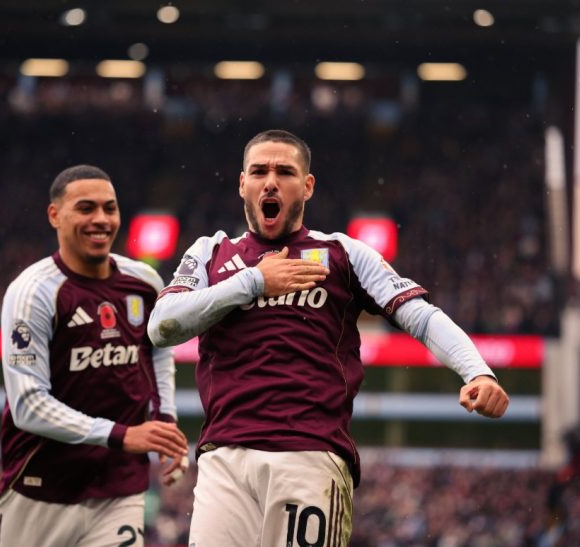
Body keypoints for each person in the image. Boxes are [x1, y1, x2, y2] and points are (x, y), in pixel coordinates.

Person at [148, 129, 511, 546]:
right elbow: (161, 326)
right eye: (259, 171)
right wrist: (253, 282)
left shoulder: (344, 253)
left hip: (309, 455)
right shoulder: (210, 253)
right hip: (223, 459)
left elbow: (421, 317)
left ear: (307, 186)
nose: (271, 181)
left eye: (285, 171)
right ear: (242, 183)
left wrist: (478, 372)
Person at [0, 164, 189, 547]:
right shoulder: (33, 292)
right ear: (55, 215)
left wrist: (164, 421)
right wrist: (121, 435)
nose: (101, 219)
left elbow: (160, 352)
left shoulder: (146, 283)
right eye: (85, 208)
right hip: (39, 488)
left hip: (119, 489)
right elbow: (28, 405)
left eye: (109, 208)